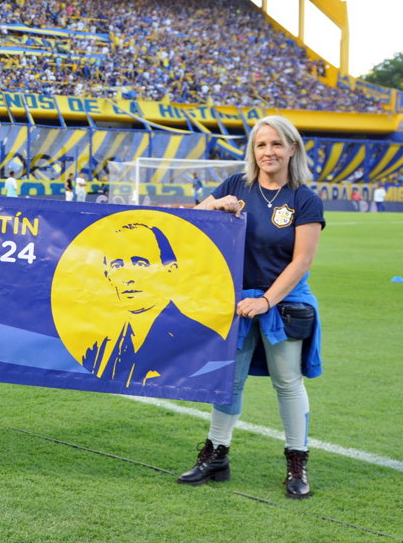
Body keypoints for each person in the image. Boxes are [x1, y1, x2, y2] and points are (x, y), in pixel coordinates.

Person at [178, 115, 324, 500]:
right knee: (227, 381)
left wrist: (265, 300)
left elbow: (301, 262)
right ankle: (216, 457)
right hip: (236, 301)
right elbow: (192, 225)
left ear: (292, 148)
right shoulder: (235, 185)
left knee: (287, 382)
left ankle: (297, 463)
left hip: (284, 304)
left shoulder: (305, 199)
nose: (268, 152)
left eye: (276, 144)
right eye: (261, 145)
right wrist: (215, 205)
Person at [81, 223, 228, 390]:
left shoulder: (203, 341)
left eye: (140, 264)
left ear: (170, 271)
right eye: (117, 265)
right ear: (107, 275)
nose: (127, 277)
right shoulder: (98, 344)